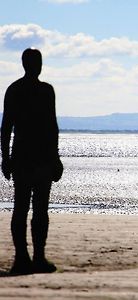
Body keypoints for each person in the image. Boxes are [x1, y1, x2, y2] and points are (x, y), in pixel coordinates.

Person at [1, 48, 63, 275]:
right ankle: (26, 257)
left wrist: (5, 158)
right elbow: (7, 126)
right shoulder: (38, 91)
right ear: (32, 65)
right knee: (31, 210)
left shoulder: (24, 90)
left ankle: (32, 257)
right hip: (33, 158)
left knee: (30, 210)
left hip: (31, 158)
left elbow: (8, 127)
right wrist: (5, 157)